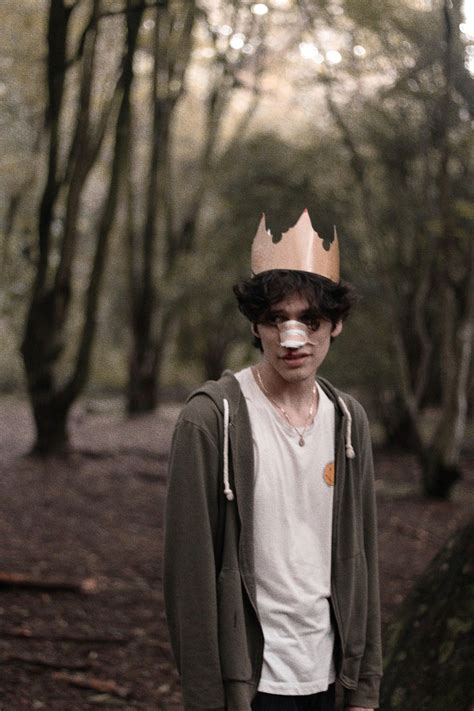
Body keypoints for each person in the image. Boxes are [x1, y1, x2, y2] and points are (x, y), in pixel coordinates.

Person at [163, 210, 382, 711]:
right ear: (256, 326)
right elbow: (188, 581)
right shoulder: (208, 420)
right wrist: (205, 699)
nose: (292, 337)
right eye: (276, 319)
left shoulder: (350, 422)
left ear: (337, 324)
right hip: (252, 684)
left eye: (310, 320)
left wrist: (364, 689)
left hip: (330, 677)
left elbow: (363, 559)